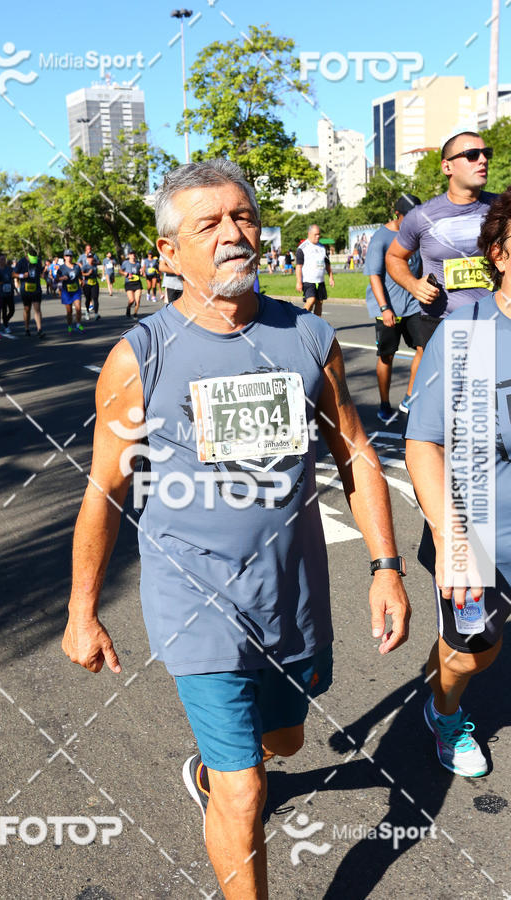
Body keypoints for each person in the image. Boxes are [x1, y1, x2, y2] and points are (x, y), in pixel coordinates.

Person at [61, 159, 411, 900]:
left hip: (293, 596)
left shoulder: (309, 336)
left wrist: (385, 566)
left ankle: (220, 766)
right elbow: (105, 490)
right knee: (245, 790)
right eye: (208, 224)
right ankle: (228, 788)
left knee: (284, 742)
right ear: (167, 254)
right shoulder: (139, 357)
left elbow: (352, 451)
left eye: (242, 217)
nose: (233, 234)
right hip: (194, 600)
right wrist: (81, 609)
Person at [405, 186, 511, 778]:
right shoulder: (467, 329)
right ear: (498, 252)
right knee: (474, 657)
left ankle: (441, 662)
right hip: (479, 532)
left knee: (465, 649)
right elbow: (424, 441)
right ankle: (444, 713)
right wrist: (452, 541)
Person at [386, 132, 496, 349]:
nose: (483, 159)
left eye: (486, 153)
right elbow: (393, 256)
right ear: (447, 167)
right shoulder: (421, 216)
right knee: (451, 384)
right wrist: (413, 284)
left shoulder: (503, 208)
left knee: (491, 383)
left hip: (496, 320)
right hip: (443, 323)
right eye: (472, 155)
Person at [364, 195, 424, 422]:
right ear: (397, 215)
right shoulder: (381, 238)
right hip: (389, 308)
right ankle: (384, 403)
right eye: (409, 218)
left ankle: (409, 397)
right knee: (387, 355)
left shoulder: (417, 234)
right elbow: (374, 276)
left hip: (414, 304)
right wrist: (384, 308)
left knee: (424, 347)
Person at [296, 224, 335, 316]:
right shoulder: (302, 248)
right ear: (309, 234)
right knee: (311, 300)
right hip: (308, 280)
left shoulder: (322, 247)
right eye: (315, 234)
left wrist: (331, 277)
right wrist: (298, 282)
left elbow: (327, 263)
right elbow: (298, 266)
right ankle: (302, 319)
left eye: (319, 234)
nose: (318, 236)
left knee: (319, 302)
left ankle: (317, 323)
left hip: (320, 280)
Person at [14, 252, 45, 338]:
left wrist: (43, 274)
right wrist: (22, 275)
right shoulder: (21, 262)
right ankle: (27, 328)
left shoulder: (38, 261)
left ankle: (39, 329)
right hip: (25, 289)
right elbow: (13, 274)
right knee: (27, 309)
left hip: (36, 288)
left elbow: (41, 272)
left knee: (37, 308)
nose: (34, 261)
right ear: (27, 256)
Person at [57, 250, 84, 333]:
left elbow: (80, 276)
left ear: (72, 257)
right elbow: (57, 278)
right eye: (67, 256)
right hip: (66, 292)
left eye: (70, 256)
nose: (69, 257)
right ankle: (69, 326)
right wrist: (62, 278)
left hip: (76, 291)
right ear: (64, 257)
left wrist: (82, 282)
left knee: (78, 308)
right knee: (69, 312)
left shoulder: (76, 266)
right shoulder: (61, 268)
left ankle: (78, 325)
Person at [0, 252, 16, 334]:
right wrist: (0, 283)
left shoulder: (9, 269)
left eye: (4, 259)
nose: (3, 261)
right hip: (1, 294)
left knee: (12, 310)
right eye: (1, 259)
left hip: (10, 292)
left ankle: (5, 320)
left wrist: (14, 288)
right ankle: (6, 326)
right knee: (3, 310)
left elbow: (13, 277)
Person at [121, 250, 142, 318]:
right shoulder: (125, 263)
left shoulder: (138, 264)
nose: (133, 255)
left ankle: (135, 314)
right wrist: (125, 274)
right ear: (129, 255)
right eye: (131, 254)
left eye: (133, 254)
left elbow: (140, 273)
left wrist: (141, 272)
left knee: (137, 300)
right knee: (131, 300)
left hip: (137, 283)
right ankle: (128, 308)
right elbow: (120, 271)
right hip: (129, 283)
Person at [81, 251, 101, 321]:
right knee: (88, 299)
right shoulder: (85, 266)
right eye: (89, 257)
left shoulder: (95, 265)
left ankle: (96, 313)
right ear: (87, 258)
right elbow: (81, 274)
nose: (90, 259)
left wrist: (98, 275)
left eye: (91, 257)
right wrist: (88, 274)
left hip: (95, 283)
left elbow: (95, 273)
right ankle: (87, 311)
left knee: (95, 298)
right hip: (87, 284)